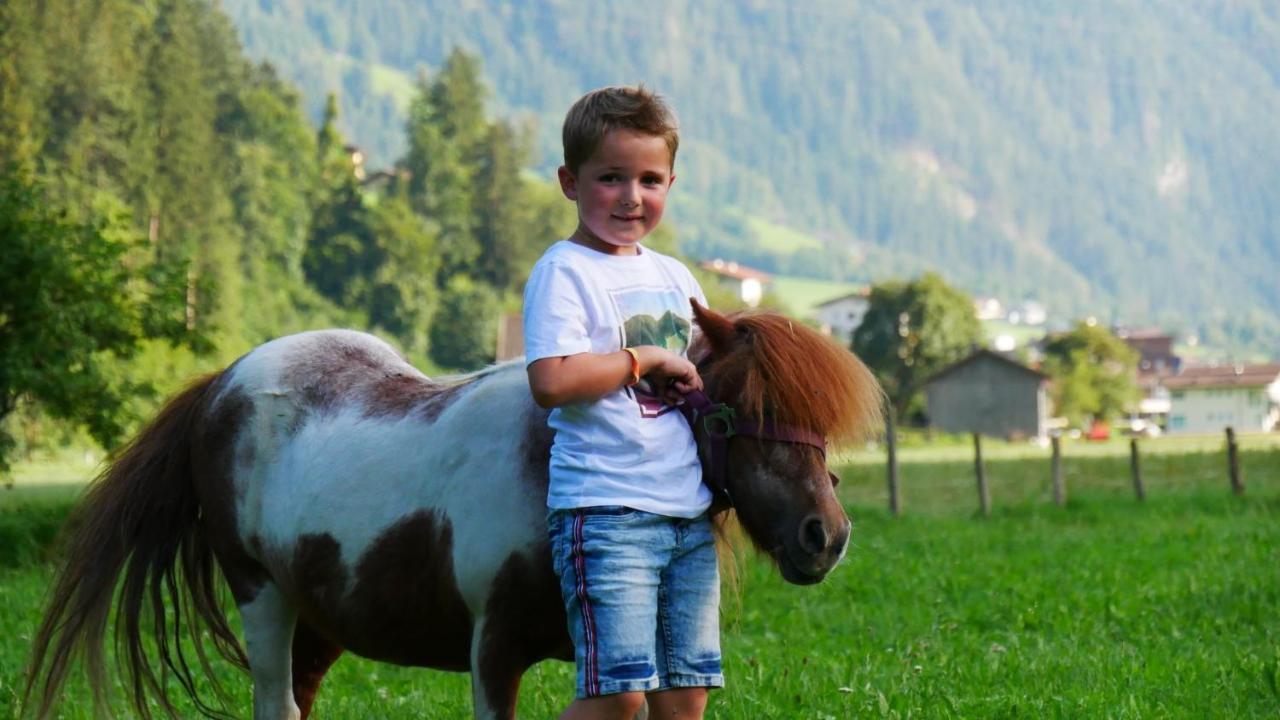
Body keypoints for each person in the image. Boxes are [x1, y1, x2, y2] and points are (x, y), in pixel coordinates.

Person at [522, 86, 722, 720]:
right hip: (607, 511)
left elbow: (705, 372)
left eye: (649, 179)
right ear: (569, 181)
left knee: (684, 696)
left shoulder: (676, 279)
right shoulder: (565, 271)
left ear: (670, 182)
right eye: (610, 178)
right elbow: (550, 381)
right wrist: (645, 360)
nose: (632, 197)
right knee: (618, 698)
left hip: (687, 515)